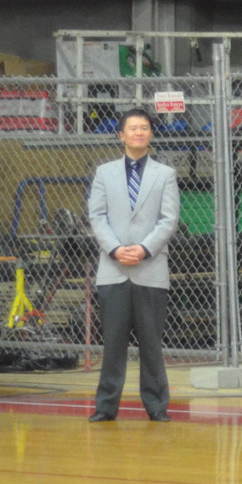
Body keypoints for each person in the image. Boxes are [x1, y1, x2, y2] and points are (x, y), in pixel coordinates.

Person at [85, 109, 179, 423]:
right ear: (121, 135)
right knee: (113, 343)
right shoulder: (104, 173)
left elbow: (169, 220)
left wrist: (144, 249)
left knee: (151, 343)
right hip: (113, 270)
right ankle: (106, 406)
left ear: (151, 134)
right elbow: (97, 216)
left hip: (150, 270)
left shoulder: (165, 174)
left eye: (144, 128)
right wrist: (115, 249)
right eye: (133, 128)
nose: (139, 132)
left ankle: (156, 406)